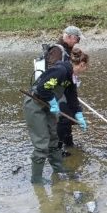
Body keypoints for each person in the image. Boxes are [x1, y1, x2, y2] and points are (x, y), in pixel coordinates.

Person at [23, 47, 89, 184]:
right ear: (81, 65)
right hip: (35, 104)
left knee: (54, 139)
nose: (85, 71)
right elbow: (42, 88)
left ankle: (58, 168)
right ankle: (36, 180)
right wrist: (53, 102)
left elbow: (72, 98)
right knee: (42, 144)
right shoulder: (61, 71)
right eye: (85, 68)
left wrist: (79, 115)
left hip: (48, 106)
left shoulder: (71, 77)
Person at [46, 25, 85, 156]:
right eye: (77, 39)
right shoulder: (57, 50)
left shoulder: (68, 50)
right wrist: (53, 99)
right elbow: (51, 73)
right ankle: (59, 148)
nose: (77, 42)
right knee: (63, 118)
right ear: (69, 37)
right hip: (54, 92)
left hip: (64, 89)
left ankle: (68, 143)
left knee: (72, 114)